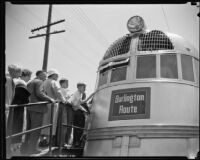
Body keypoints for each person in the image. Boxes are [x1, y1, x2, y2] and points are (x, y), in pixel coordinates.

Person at [20, 70, 55, 155]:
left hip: (30, 108)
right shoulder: (39, 81)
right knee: (36, 130)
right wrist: (50, 99)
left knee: (29, 130)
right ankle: (33, 149)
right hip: (37, 109)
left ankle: (24, 149)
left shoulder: (30, 82)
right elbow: (40, 93)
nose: (46, 77)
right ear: (39, 75)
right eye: (44, 75)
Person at [40, 69, 67, 146]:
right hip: (53, 104)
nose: (58, 77)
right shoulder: (54, 82)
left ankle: (41, 140)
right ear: (53, 75)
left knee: (44, 122)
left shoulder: (44, 82)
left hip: (45, 104)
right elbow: (58, 92)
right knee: (52, 122)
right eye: (57, 75)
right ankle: (48, 142)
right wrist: (64, 100)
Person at [68, 82, 95, 147]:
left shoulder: (78, 93)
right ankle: (77, 143)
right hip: (77, 113)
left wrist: (84, 110)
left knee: (78, 128)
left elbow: (78, 104)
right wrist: (91, 95)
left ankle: (76, 142)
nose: (85, 89)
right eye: (84, 87)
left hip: (77, 111)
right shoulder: (77, 93)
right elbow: (79, 103)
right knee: (79, 128)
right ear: (79, 87)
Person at [55, 78, 72, 147]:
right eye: (66, 83)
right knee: (63, 125)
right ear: (62, 83)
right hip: (63, 107)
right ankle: (61, 143)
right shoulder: (63, 90)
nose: (68, 84)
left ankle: (58, 142)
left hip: (61, 107)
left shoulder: (62, 90)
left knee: (60, 125)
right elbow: (67, 100)